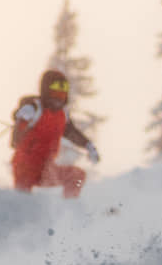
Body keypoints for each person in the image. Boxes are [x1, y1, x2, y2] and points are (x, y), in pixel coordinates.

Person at [11, 70, 100, 198]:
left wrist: (88, 145)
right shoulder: (35, 109)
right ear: (46, 90)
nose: (59, 95)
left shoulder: (62, 115)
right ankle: (21, 209)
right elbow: (15, 138)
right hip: (25, 167)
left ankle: (69, 207)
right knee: (23, 198)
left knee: (77, 176)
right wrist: (21, 119)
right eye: (55, 90)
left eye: (63, 91)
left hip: (46, 169)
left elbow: (71, 132)